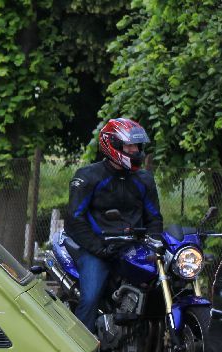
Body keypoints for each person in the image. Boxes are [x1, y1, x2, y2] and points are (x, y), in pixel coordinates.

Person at [66, 118, 164, 331]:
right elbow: (74, 219)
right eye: (129, 146)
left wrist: (155, 242)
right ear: (113, 145)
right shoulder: (89, 176)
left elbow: (154, 218)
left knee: (158, 285)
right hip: (97, 248)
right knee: (90, 297)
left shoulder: (144, 179)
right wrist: (99, 248)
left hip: (133, 248)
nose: (135, 150)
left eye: (137, 146)